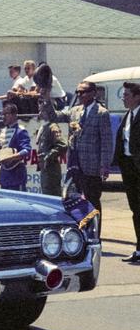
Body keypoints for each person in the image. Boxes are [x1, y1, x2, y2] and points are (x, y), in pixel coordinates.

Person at [43, 80, 112, 219]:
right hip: (75, 166)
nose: (80, 95)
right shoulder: (74, 111)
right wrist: (46, 99)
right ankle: (80, 230)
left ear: (93, 93)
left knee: (92, 201)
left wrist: (105, 165)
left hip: (92, 166)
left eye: (83, 92)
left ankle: (94, 232)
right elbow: (54, 116)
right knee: (74, 201)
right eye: (78, 92)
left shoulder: (102, 113)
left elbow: (106, 141)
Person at [113, 82, 140, 262]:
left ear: (137, 97)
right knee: (136, 209)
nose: (123, 98)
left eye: (127, 95)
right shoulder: (128, 115)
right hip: (129, 167)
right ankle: (139, 249)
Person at [0, 103, 31, 191]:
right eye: (3, 114)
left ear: (14, 115)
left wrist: (11, 158)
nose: (3, 117)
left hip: (17, 174)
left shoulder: (21, 131)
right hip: (4, 175)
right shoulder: (2, 132)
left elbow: (26, 150)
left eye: (6, 114)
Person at [35, 104, 67, 196]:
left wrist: (48, 156)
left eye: (42, 111)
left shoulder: (53, 127)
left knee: (52, 195)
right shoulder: (44, 127)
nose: (40, 114)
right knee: (46, 193)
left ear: (48, 112)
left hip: (51, 169)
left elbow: (63, 145)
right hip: (45, 168)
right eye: (39, 110)